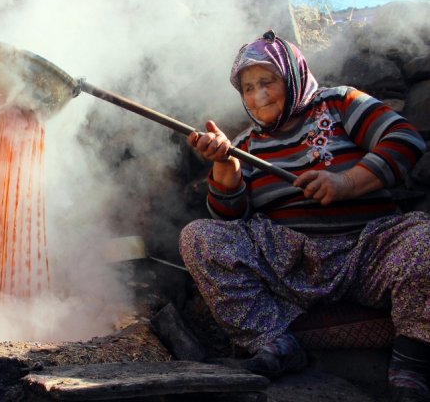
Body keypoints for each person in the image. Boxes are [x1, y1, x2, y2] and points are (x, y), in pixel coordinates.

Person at [180, 30, 430, 402]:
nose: (257, 94)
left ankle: (412, 363)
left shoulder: (340, 102)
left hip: (370, 249)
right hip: (291, 261)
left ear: (293, 76)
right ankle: (277, 342)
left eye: (267, 82)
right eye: (248, 88)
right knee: (200, 237)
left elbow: (404, 139)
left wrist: (347, 182)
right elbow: (229, 218)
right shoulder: (247, 144)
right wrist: (226, 163)